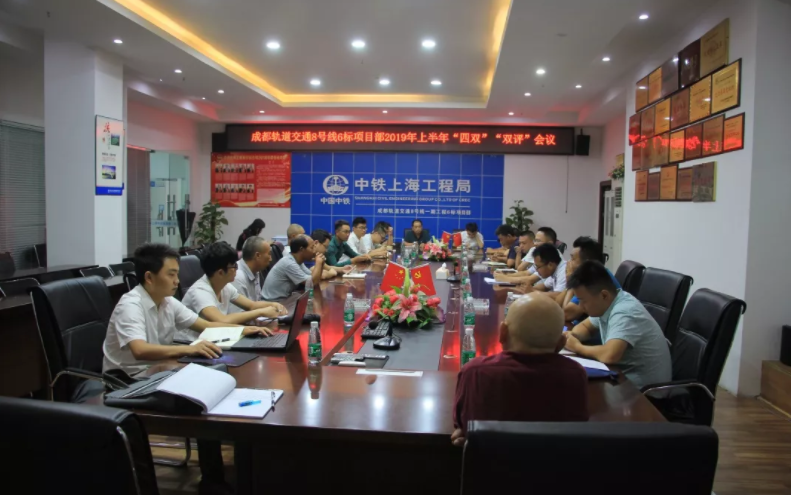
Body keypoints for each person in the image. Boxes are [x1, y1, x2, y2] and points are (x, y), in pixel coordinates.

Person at [101, 243, 269, 492]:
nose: (177, 281)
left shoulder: (168, 302)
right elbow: (140, 349)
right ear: (149, 277)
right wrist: (188, 350)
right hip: (127, 382)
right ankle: (212, 481)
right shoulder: (131, 304)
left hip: (157, 372)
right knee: (200, 397)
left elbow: (205, 326)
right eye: (171, 274)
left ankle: (228, 469)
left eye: (177, 274)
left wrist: (245, 329)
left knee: (214, 377)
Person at [451, 293, 589, 446]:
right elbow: (577, 430)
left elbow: (462, 425)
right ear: (561, 343)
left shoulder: (475, 372)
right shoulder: (575, 374)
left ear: (502, 333)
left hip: (492, 461)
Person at [564, 261, 672, 389]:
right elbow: (586, 327)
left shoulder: (624, 311)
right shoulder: (607, 304)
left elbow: (610, 355)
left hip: (647, 392)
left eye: (583, 301)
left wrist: (577, 347)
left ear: (604, 295)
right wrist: (573, 336)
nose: (580, 307)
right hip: (623, 378)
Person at [180, 242, 287, 340]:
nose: (237, 269)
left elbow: (251, 305)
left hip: (213, 339)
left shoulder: (225, 286)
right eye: (234, 266)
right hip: (189, 344)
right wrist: (261, 312)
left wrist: (272, 305)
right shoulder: (200, 291)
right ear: (220, 272)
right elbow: (221, 320)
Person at [562, 237, 621, 323]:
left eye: (573, 259)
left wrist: (571, 281)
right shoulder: (596, 273)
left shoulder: (594, 278)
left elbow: (566, 315)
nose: (568, 262)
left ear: (587, 263)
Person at [261, 235, 328, 300]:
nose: (314, 251)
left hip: (284, 299)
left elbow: (313, 278)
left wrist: (321, 264)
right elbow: (312, 282)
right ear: (301, 249)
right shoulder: (289, 263)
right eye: (312, 248)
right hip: (273, 301)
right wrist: (318, 263)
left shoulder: (297, 261)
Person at [231, 236, 271, 304]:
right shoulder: (237, 276)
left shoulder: (255, 271)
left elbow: (257, 302)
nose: (270, 259)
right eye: (269, 254)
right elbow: (240, 311)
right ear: (257, 255)